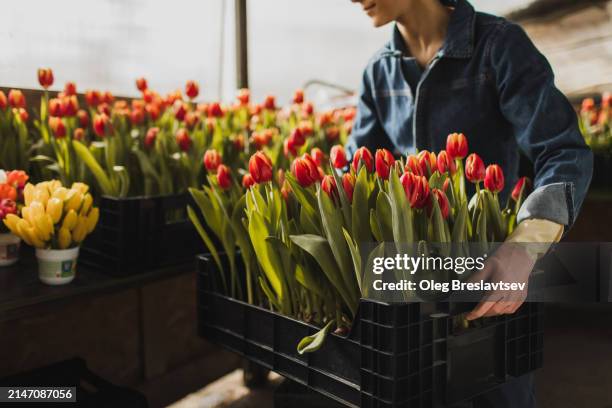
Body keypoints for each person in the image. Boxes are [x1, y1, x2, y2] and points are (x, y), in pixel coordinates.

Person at [347, 0, 593, 407]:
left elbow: (563, 150)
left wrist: (525, 246)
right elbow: (355, 178)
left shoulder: (498, 46)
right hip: (412, 296)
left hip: (492, 282)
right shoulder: (379, 72)